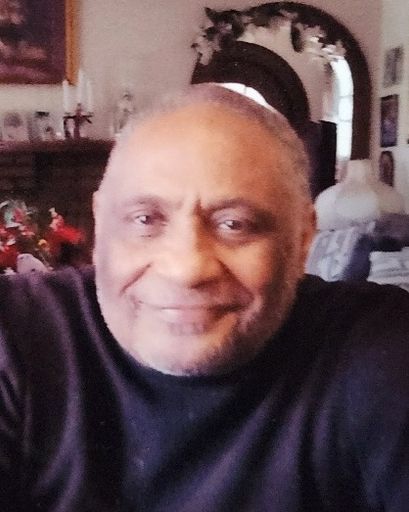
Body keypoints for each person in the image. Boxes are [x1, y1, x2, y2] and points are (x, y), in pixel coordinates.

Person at [0, 84, 409, 512]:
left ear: (303, 239)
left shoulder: (375, 346)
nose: (187, 269)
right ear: (100, 227)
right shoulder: (17, 335)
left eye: (235, 224)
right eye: (146, 219)